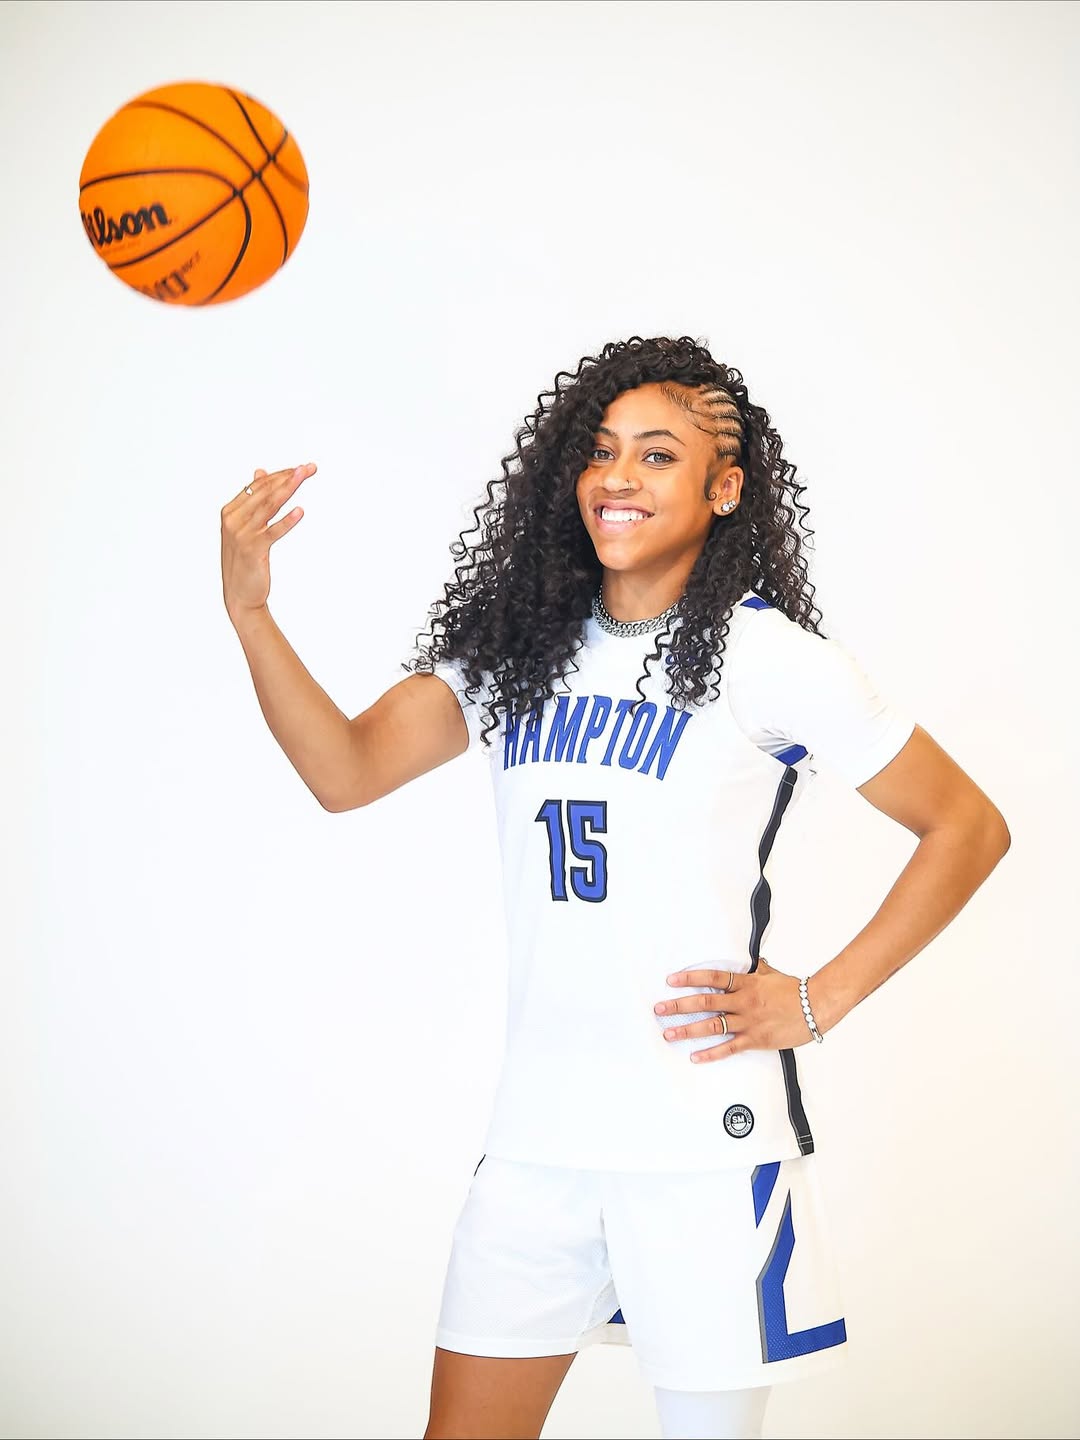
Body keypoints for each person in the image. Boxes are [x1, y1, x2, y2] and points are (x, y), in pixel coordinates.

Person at [220, 336, 1009, 1440]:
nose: (617, 477)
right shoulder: (517, 652)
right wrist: (253, 615)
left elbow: (967, 826)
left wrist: (816, 999)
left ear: (723, 489)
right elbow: (345, 772)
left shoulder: (771, 659)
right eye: (600, 452)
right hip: (540, 1140)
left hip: (703, 1140)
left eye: (657, 455)